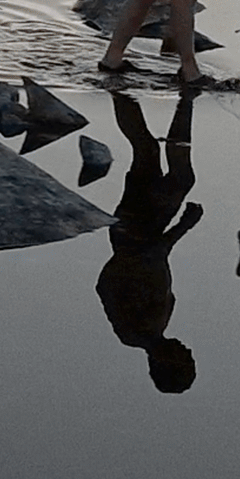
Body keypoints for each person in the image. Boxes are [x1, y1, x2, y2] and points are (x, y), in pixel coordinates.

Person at [95, 91, 201, 394]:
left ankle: (186, 99)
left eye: (186, 359)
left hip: (138, 231)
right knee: (147, 152)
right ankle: (122, 91)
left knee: (178, 176)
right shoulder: (142, 330)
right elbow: (105, 285)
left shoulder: (145, 325)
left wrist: (184, 225)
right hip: (132, 234)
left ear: (166, 363)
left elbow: (153, 257)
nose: (189, 351)